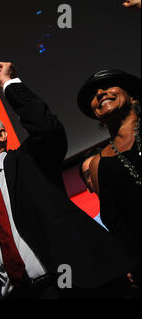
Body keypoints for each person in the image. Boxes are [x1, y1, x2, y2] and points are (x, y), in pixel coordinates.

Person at [0, 62, 136, 299]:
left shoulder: (29, 161)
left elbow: (47, 129)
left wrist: (9, 85)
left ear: (2, 135)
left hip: (72, 285)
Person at [77, 68, 141, 288]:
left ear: (133, 96)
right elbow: (117, 224)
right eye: (94, 95)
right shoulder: (98, 164)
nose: (101, 93)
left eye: (108, 85)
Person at [78, 146, 108, 229]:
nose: (95, 174)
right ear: (88, 188)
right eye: (88, 174)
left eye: (98, 167)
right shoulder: (95, 228)